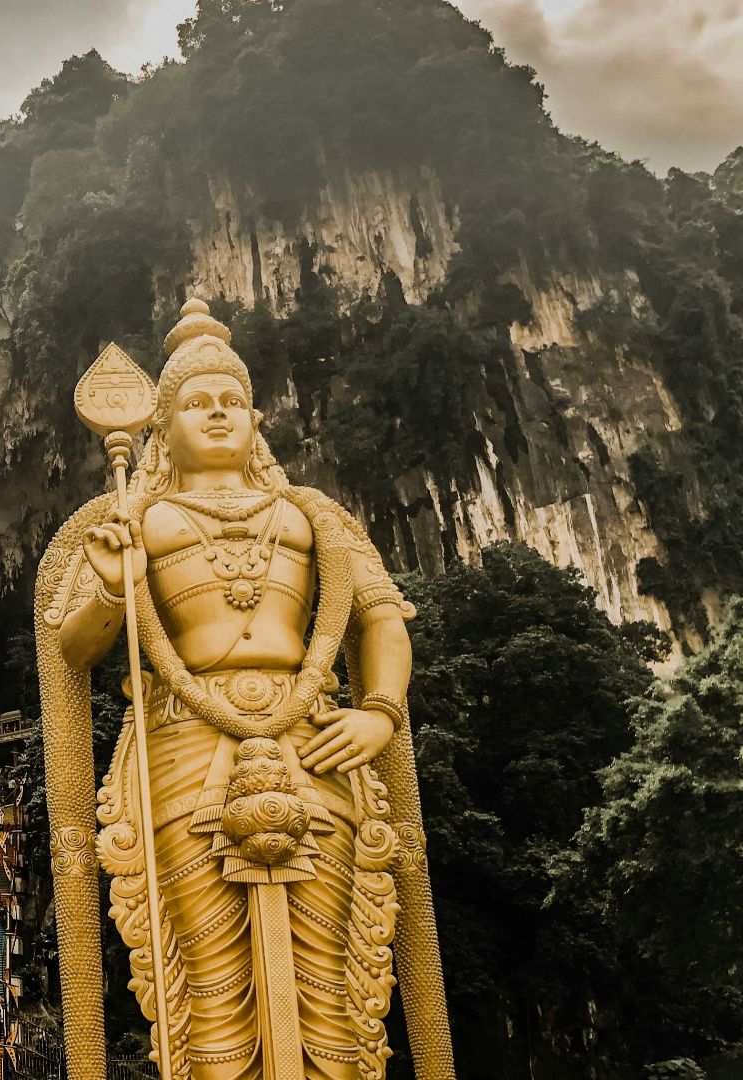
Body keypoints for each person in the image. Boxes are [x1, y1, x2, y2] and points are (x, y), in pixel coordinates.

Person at [36, 299, 449, 1079]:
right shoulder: (136, 516)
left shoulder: (312, 515)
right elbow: (75, 646)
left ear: (257, 417)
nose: (218, 414)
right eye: (197, 403)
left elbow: (383, 619)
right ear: (163, 423)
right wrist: (113, 586)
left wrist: (381, 714)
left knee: (332, 983)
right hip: (184, 746)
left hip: (312, 741)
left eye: (233, 401)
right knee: (210, 981)